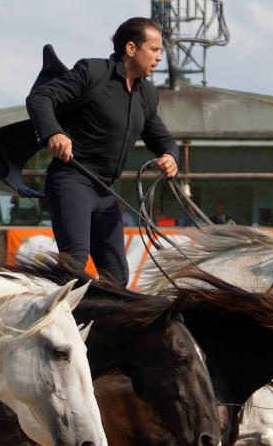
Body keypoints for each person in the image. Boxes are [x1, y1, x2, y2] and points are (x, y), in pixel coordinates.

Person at [24, 17, 179, 285]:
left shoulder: (147, 95)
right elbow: (40, 98)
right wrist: (54, 132)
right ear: (131, 49)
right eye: (154, 50)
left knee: (117, 276)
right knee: (74, 264)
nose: (159, 58)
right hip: (71, 179)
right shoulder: (93, 72)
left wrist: (170, 155)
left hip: (105, 190)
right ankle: (55, 325)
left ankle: (105, 328)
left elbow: (162, 138)